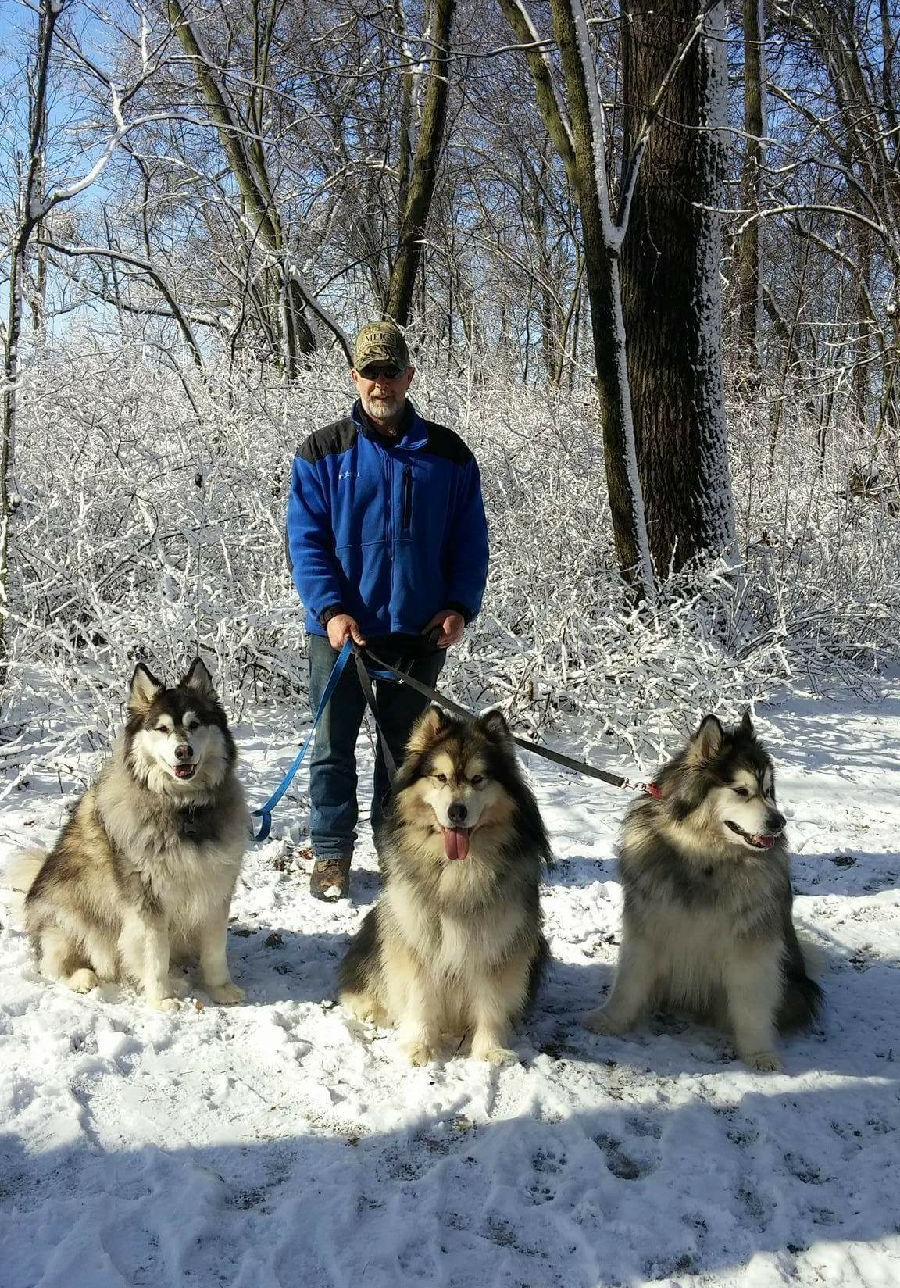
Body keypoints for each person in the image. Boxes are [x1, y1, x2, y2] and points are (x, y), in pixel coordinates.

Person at [286, 321, 489, 900]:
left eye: (390, 372)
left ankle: (396, 848)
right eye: (369, 372)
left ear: (408, 376)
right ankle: (331, 853)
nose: (381, 383)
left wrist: (457, 606)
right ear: (355, 378)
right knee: (332, 748)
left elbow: (469, 541)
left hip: (419, 634)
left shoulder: (448, 454)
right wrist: (329, 609)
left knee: (405, 756)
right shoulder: (322, 452)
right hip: (341, 634)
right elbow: (307, 543)